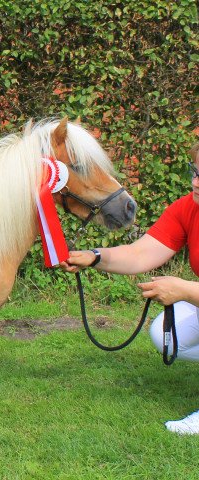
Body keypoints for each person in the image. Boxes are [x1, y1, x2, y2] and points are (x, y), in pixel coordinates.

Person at [61, 143, 199, 435]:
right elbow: (141, 254)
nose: (195, 181)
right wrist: (95, 257)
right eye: (195, 171)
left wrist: (186, 290)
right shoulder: (188, 207)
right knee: (168, 336)